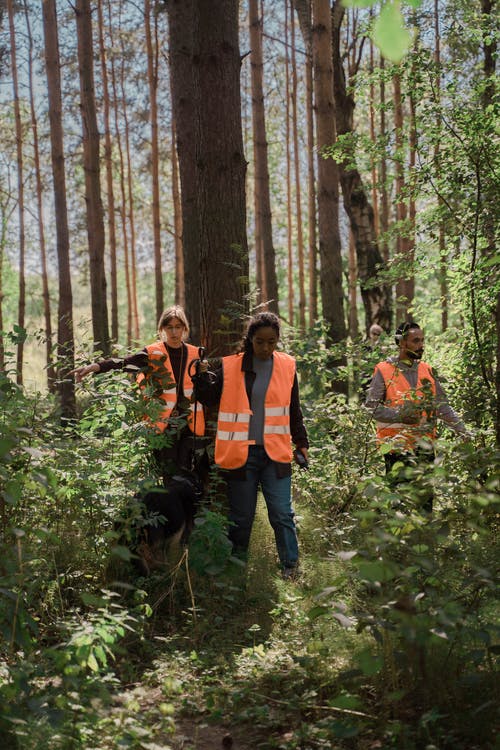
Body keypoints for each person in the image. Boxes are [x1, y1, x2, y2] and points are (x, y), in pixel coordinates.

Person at [193, 312, 309, 578]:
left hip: (276, 454)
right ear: (250, 340)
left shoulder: (288, 365)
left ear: (278, 340)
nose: (266, 348)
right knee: (242, 518)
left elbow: (293, 409)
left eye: (271, 342)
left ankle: (290, 568)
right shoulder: (231, 366)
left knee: (282, 514)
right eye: (260, 342)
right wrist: (201, 378)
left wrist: (301, 442)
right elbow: (208, 399)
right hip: (240, 454)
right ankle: (237, 570)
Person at [70, 305, 205, 481]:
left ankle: (189, 507)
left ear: (184, 328)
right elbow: (124, 362)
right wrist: (94, 367)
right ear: (162, 328)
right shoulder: (151, 352)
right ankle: (169, 508)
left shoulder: (196, 353)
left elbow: (205, 387)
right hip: (163, 426)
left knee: (189, 474)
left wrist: (204, 371)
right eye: (169, 327)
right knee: (169, 475)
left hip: (190, 425)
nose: (174, 332)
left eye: (178, 327)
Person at [365, 320, 470, 511]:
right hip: (396, 448)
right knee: (399, 507)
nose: (421, 345)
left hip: (425, 448)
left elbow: (442, 407)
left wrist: (463, 431)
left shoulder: (427, 370)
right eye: (415, 341)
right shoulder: (384, 370)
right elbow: (371, 407)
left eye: (422, 340)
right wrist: (399, 416)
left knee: (424, 506)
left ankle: (424, 540)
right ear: (401, 343)